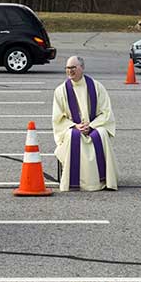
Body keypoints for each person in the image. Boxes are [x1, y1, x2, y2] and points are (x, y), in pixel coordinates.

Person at [52, 56, 118, 191]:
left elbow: (106, 112)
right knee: (72, 135)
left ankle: (104, 179)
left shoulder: (96, 87)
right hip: (73, 127)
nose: (70, 71)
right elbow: (58, 118)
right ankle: (74, 181)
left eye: (73, 68)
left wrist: (92, 126)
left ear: (82, 68)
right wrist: (75, 125)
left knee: (102, 133)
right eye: (67, 68)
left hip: (94, 125)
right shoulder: (61, 90)